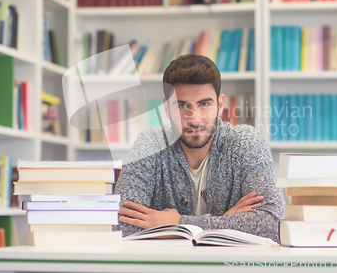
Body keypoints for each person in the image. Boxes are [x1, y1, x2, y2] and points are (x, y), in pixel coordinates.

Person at [113, 54, 284, 242]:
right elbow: (120, 225)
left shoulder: (245, 143)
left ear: (220, 105)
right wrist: (226, 222)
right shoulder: (149, 144)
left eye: (204, 104)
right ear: (167, 109)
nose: (194, 119)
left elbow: (273, 224)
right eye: (182, 106)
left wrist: (180, 224)